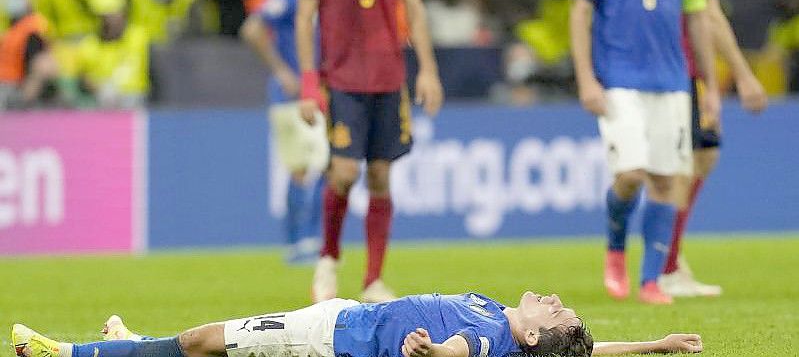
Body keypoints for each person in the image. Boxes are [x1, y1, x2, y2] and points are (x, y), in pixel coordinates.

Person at [569, 0, 721, 304]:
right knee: (632, 174)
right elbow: (580, 12)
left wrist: (709, 85)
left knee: (666, 181)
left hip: (672, 82)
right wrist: (586, 78)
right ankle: (616, 246)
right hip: (619, 79)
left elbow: (698, 19)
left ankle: (651, 281)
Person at [296, 0, 444, 303]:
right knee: (343, 172)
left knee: (380, 175)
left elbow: (413, 4)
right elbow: (305, 16)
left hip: (389, 79)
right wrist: (309, 82)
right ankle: (328, 259)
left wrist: (427, 69)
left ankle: (373, 279)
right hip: (342, 80)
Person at [11, 291, 705, 357]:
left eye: (556, 313)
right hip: (339, 323)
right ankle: (129, 345)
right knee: (205, 349)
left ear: (529, 336)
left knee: (201, 342)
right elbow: (586, 351)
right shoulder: (502, 320)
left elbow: (457, 351)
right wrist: (658, 342)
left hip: (328, 336)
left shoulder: (489, 336)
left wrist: (431, 350)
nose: (553, 299)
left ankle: (68, 352)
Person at [658, 0, 769, 298]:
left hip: (665, 68)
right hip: (682, 67)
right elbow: (709, 14)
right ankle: (665, 266)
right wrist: (742, 73)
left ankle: (668, 259)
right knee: (688, 160)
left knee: (699, 155)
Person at [240, 0, 328, 265]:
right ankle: (300, 241)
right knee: (303, 167)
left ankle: (307, 240)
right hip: (293, 92)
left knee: (324, 164)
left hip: (321, 90)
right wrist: (281, 71)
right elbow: (252, 29)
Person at [0, 0, 58, 109]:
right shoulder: (12, 23)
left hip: (14, 91)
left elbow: (41, 65)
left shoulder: (35, 26)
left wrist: (21, 101)